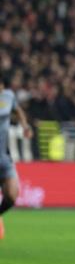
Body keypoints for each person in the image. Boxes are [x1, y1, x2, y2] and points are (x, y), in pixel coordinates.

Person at [0, 78, 33, 239]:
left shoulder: (8, 96)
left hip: (4, 157)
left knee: (12, 196)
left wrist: (25, 126)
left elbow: (18, 110)